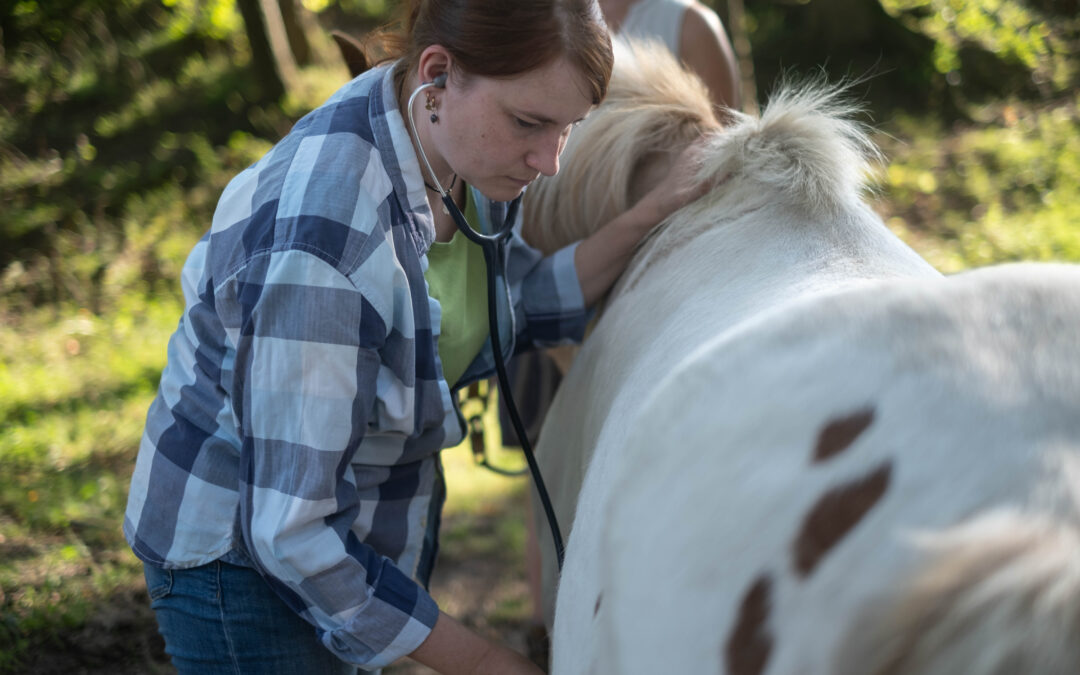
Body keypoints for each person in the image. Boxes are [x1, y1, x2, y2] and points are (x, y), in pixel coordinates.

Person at [122, 0, 710, 673]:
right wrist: (484, 660)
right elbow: (290, 531)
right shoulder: (327, 237)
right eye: (530, 122)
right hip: (241, 570)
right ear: (438, 72)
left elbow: (515, 302)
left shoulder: (452, 142)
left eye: (569, 128)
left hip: (358, 530)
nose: (549, 161)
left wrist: (651, 214)